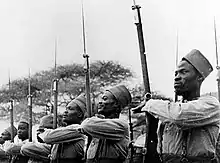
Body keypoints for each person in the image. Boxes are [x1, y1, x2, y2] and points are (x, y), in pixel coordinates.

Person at [140, 49, 220, 162]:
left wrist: (149, 104)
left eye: (184, 72)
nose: (176, 77)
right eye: (176, 73)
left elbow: (179, 115)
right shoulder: (168, 109)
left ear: (199, 77)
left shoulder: (211, 104)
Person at [79, 85, 131, 163]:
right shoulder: (98, 126)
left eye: (105, 99)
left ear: (116, 104)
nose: (100, 102)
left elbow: (86, 125)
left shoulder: (121, 125)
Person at [39, 94, 87, 163]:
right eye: (66, 109)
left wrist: (44, 132)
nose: (65, 111)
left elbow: (47, 137)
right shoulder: (63, 131)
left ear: (80, 114)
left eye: (70, 109)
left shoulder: (79, 130)